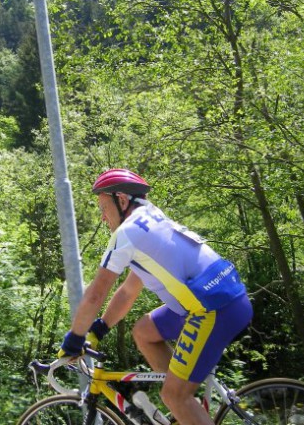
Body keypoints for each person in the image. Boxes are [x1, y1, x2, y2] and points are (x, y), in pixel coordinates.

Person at [58, 168, 253, 425]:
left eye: (104, 208)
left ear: (122, 200)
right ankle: (187, 406)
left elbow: (95, 295)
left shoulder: (126, 234)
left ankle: (181, 399)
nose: (103, 217)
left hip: (212, 309)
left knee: (174, 396)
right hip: (225, 296)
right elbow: (129, 290)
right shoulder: (152, 217)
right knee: (144, 331)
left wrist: (75, 339)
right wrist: (100, 328)